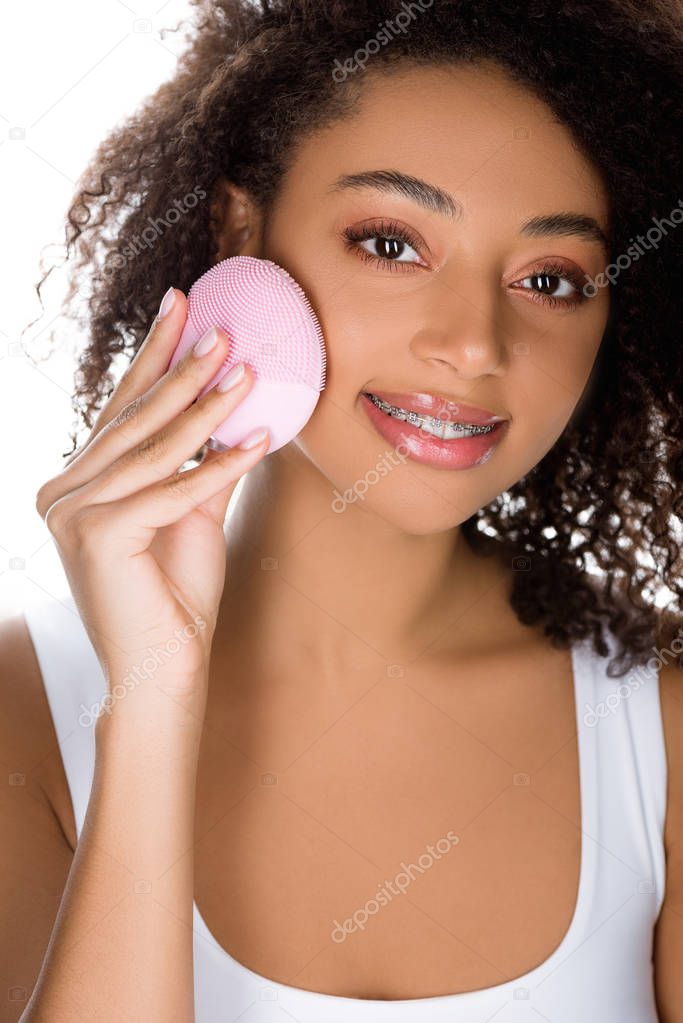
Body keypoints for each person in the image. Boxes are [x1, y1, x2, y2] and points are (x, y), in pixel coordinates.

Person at [2, 1, 682, 1020]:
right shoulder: (21, 716)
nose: (472, 344)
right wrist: (149, 703)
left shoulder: (657, 728)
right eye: (391, 244)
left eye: (548, 277)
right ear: (242, 231)